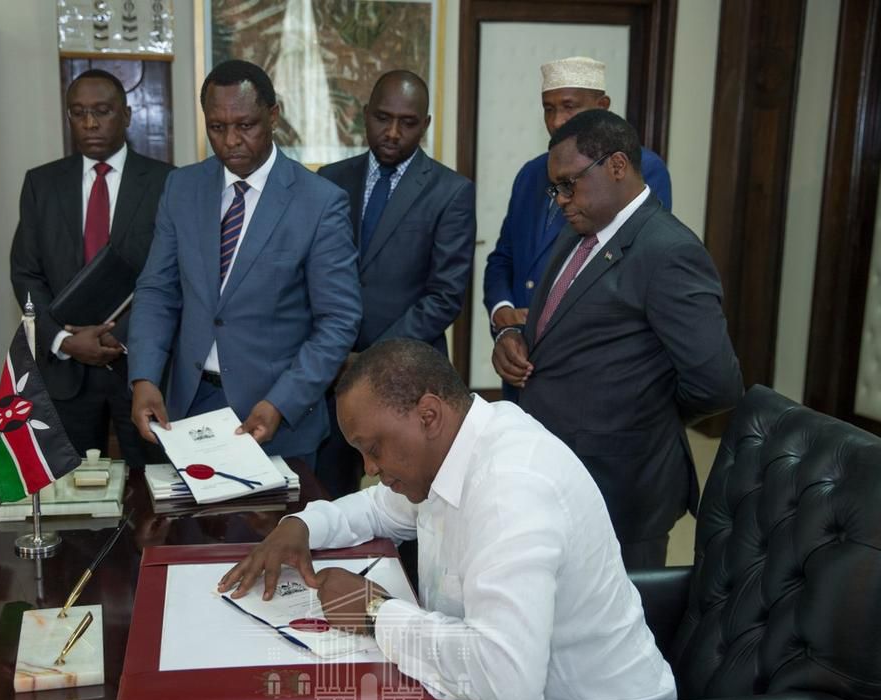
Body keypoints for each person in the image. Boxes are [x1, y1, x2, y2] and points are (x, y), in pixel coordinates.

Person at [219, 339, 676, 700]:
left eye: (374, 448)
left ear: (429, 415)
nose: (371, 469)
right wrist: (299, 525)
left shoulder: (511, 490)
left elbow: (508, 681)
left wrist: (375, 613)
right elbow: (378, 508)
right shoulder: (455, 446)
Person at [493, 109, 743, 568]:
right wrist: (511, 334)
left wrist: (643, 410)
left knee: (618, 631)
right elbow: (557, 328)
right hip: (554, 469)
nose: (561, 199)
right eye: (556, 188)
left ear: (617, 166)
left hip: (623, 486)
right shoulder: (581, 231)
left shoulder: (669, 251)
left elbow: (717, 383)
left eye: (570, 183)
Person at [128, 60, 361, 464]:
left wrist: (282, 401)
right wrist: (144, 377)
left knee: (272, 529)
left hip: (276, 416)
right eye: (217, 127)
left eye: (246, 125)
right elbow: (157, 291)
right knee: (190, 529)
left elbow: (338, 320)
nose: (231, 141)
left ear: (273, 116)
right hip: (189, 407)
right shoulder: (182, 188)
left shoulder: (319, 202)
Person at [315, 70, 475, 496]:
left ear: (425, 124)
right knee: (331, 492)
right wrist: (328, 350)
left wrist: (371, 360)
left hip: (406, 377)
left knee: (406, 502)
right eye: (382, 118)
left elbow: (444, 296)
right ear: (364, 116)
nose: (392, 132)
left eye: (407, 123)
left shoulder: (450, 191)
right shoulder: (329, 179)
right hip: (329, 370)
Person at [483, 56, 672, 401]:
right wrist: (504, 315)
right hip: (520, 361)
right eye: (548, 108)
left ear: (602, 107)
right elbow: (503, 257)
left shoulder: (638, 170)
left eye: (569, 107)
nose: (557, 121)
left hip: (586, 372)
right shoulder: (529, 173)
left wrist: (545, 313)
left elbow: (628, 270)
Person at [10, 69, 173, 469]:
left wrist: (117, 337)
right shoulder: (41, 184)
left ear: (127, 115)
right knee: (71, 493)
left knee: (152, 488)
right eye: (78, 112)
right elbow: (26, 273)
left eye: (102, 111)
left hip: (141, 369)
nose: (90, 123)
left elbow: (174, 275)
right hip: (66, 369)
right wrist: (63, 340)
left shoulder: (167, 182)